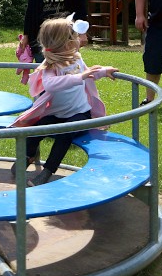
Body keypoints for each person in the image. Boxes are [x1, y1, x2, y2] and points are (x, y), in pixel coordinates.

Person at [12, 16, 117, 186]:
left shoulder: (77, 58)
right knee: (34, 131)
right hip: (58, 114)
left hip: (81, 114)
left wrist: (104, 71)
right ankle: (27, 157)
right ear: (64, 42)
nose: (79, 39)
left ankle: (47, 172)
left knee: (65, 134)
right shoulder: (50, 64)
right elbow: (50, 85)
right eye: (74, 36)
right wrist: (78, 77)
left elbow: (88, 74)